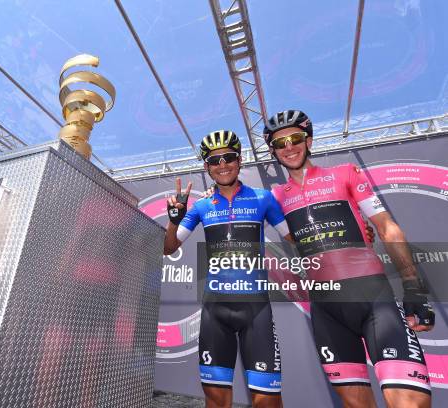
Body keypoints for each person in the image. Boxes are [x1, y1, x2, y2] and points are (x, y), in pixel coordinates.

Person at [264, 110, 434, 408]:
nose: (289, 147)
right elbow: (289, 237)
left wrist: (413, 288)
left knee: (410, 402)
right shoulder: (275, 195)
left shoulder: (345, 173)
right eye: (280, 144)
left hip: (373, 297)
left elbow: (387, 227)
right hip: (326, 309)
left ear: (309, 140)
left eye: (295, 139)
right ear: (274, 152)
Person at [164, 130, 290, 408]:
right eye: (214, 160)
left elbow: (295, 237)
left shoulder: (263, 198)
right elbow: (169, 247)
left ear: (240, 160)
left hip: (255, 309)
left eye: (228, 157)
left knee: (267, 401)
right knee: (216, 400)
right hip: (214, 312)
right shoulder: (202, 205)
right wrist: (175, 219)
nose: (222, 165)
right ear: (207, 167)